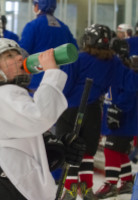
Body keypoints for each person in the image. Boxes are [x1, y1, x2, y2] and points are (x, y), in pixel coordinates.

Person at [0, 38, 85, 200]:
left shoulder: (9, 96)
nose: (19, 57)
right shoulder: (2, 95)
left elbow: (25, 145)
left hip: (15, 186)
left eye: (18, 53)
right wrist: (52, 73)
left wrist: (62, 146)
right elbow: (41, 116)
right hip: (9, 190)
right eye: (9, 56)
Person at [57, 24, 138, 200]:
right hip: (93, 110)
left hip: (71, 109)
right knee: (87, 151)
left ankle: (70, 188)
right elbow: (131, 83)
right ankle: (86, 187)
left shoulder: (79, 59)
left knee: (69, 148)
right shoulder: (113, 61)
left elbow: (66, 85)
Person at [94, 38, 137, 200]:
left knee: (110, 149)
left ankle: (110, 183)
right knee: (118, 150)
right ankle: (126, 181)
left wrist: (117, 109)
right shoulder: (112, 67)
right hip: (115, 114)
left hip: (123, 118)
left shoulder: (123, 68)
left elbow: (130, 91)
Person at [19, 0, 78, 91]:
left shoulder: (32, 26)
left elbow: (22, 52)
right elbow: (74, 51)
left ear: (38, 6)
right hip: (62, 83)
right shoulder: (64, 27)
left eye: (34, 5)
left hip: (37, 83)